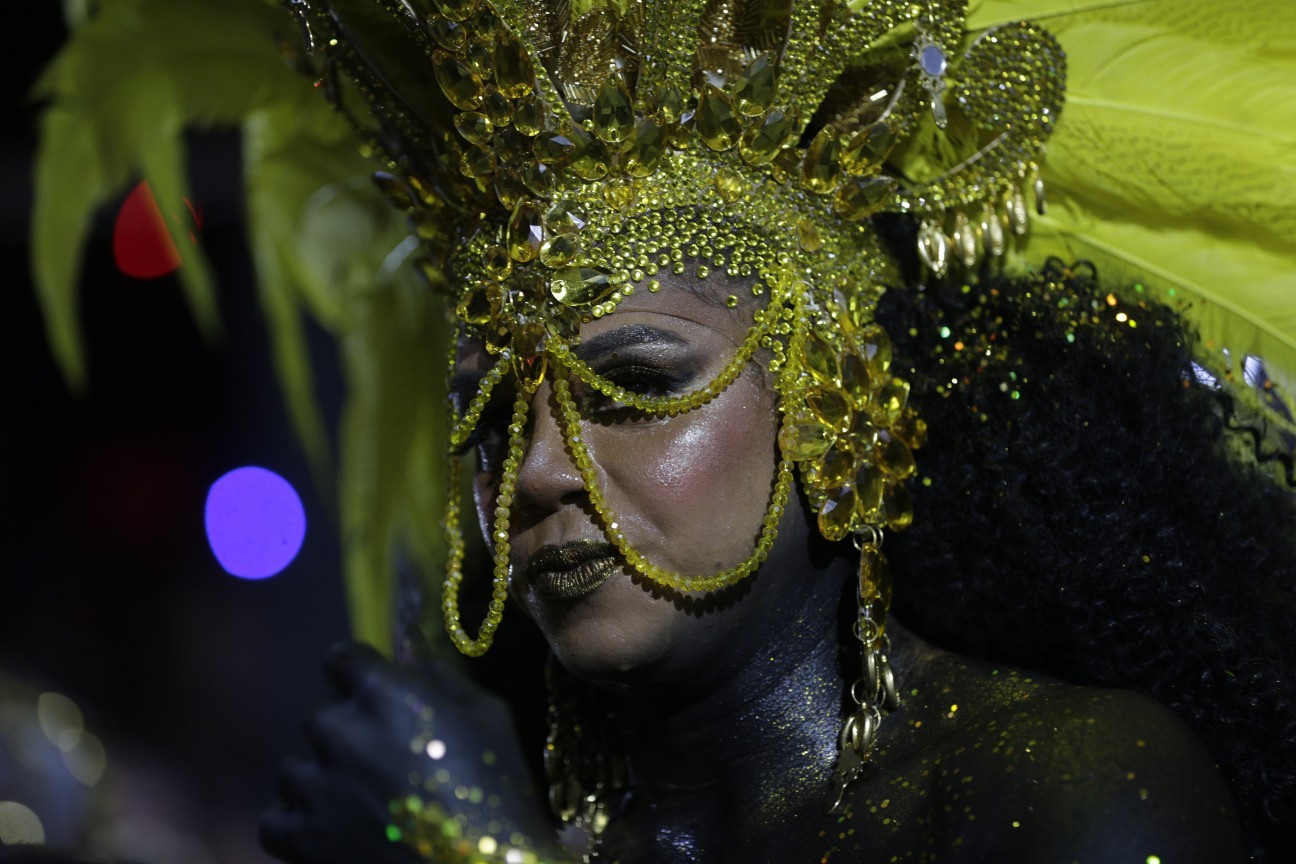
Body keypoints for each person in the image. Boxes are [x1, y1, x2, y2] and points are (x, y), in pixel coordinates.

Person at [30, 0, 1296, 861]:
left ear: (833, 397)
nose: (532, 476)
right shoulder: (521, 803)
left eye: (632, 384)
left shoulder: (1066, 789)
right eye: (492, 409)